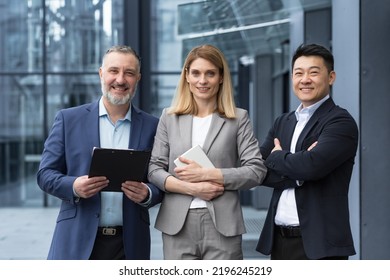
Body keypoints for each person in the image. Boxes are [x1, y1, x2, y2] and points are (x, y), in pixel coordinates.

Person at [37, 45, 163, 260]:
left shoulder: (154, 126)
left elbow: (162, 178)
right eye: (113, 71)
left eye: (129, 73)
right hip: (75, 241)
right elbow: (45, 174)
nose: (121, 80)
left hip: (129, 245)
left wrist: (148, 194)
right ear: (101, 74)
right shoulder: (69, 119)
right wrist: (74, 186)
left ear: (138, 78)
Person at [148, 44, 267, 260]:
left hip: (223, 226)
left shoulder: (238, 119)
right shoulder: (169, 117)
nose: (202, 81)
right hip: (177, 225)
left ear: (221, 77)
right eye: (196, 73)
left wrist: (207, 174)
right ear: (187, 76)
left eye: (210, 73)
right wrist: (191, 188)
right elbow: (154, 169)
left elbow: (256, 171)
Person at [256, 43, 358, 260]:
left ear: (331, 77)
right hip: (280, 241)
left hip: (320, 246)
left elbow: (311, 166)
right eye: (298, 73)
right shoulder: (283, 122)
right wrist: (298, 170)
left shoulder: (340, 121)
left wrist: (277, 156)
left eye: (314, 72)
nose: (305, 79)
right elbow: (259, 169)